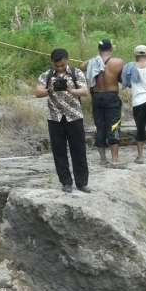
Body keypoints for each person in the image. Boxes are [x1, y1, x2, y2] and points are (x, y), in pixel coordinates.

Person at [36, 48, 91, 193]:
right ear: (52, 62)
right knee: (59, 151)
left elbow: (85, 91)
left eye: (62, 65)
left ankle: (82, 183)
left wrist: (71, 90)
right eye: (57, 65)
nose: (60, 68)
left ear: (67, 60)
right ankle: (66, 182)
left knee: (79, 151)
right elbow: (38, 92)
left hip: (74, 117)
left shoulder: (76, 73)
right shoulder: (46, 75)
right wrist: (50, 89)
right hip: (55, 118)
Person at [80, 38, 125, 167]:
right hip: (111, 96)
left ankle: (103, 159)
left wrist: (94, 59)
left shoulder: (92, 62)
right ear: (111, 48)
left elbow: (81, 66)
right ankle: (115, 159)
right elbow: (122, 78)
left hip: (97, 96)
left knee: (99, 126)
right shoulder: (118, 62)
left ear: (99, 50)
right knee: (114, 125)